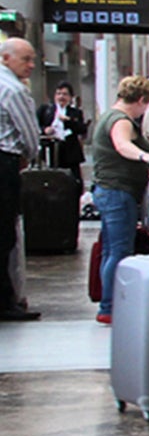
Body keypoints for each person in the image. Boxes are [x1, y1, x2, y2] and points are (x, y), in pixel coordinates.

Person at [89, 77, 149, 324]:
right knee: (120, 251)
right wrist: (146, 157)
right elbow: (123, 146)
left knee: (111, 249)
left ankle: (107, 304)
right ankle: (111, 306)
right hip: (118, 192)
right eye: (147, 104)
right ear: (141, 100)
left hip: (108, 191)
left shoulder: (108, 115)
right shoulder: (121, 121)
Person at [0, 39, 46, 319]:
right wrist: (30, 155)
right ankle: (6, 301)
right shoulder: (14, 90)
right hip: (5, 162)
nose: (31, 65)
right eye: (26, 59)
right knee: (6, 234)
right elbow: (30, 136)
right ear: (6, 58)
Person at [38, 81, 88, 186]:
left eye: (65, 94)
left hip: (70, 152)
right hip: (51, 151)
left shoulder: (75, 112)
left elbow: (82, 128)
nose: (61, 97)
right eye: (59, 94)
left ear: (70, 97)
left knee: (73, 181)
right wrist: (45, 130)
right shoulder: (46, 110)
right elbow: (35, 125)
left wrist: (68, 121)